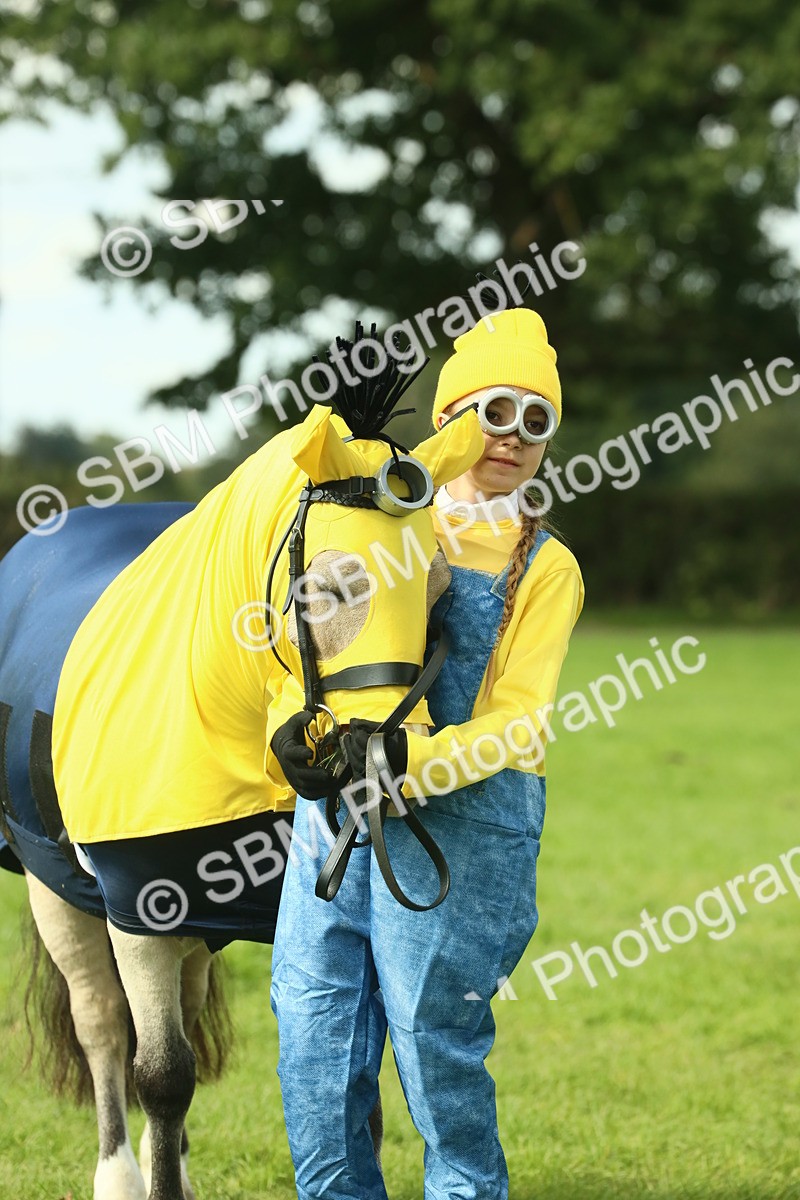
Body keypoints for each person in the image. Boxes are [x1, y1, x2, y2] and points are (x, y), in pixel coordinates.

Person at [269, 306, 585, 1200]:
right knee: (314, 1027)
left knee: (432, 1041)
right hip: (337, 820)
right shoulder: (374, 520)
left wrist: (412, 762)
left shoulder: (546, 566)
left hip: (468, 828)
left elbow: (521, 723)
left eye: (534, 420)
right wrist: (294, 730)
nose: (511, 437)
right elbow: (305, 648)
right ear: (449, 422)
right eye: (492, 412)